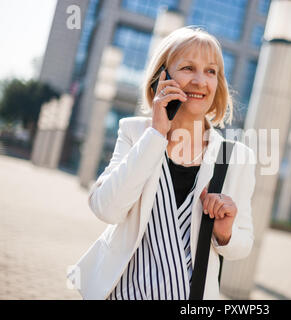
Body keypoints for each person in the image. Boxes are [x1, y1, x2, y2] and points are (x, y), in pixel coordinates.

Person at [67, 26, 256, 300]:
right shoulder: (135, 133)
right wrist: (156, 134)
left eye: (211, 71)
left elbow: (243, 244)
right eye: (188, 68)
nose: (200, 81)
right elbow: (105, 209)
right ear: (162, 78)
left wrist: (225, 233)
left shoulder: (236, 156)